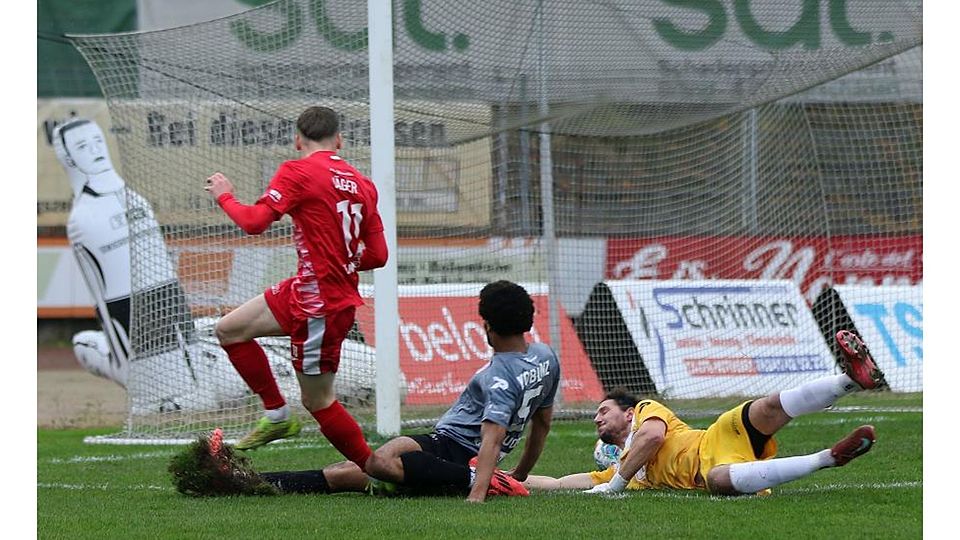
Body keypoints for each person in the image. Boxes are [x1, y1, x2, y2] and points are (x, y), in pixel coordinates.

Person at [170, 280, 558, 503]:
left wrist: (476, 491)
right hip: (448, 446)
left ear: (487, 325)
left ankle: (242, 481)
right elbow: (541, 423)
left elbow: (492, 438)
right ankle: (244, 481)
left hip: (456, 454)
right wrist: (521, 472)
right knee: (352, 470)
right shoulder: (544, 357)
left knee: (371, 465)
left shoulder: (500, 377)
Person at [204, 106, 388, 470]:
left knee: (319, 401)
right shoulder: (363, 185)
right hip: (307, 289)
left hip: (320, 304)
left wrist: (225, 196)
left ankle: (377, 470)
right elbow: (378, 255)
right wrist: (344, 260)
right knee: (229, 330)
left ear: (297, 140)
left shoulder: (298, 171)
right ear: (339, 140)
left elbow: (255, 223)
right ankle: (276, 415)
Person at [522, 330, 882, 496]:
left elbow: (653, 437)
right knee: (718, 480)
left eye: (603, 410)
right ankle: (830, 457)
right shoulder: (621, 469)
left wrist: (616, 484)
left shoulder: (647, 412)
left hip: (718, 436)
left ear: (628, 413)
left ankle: (850, 379)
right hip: (715, 469)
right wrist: (505, 479)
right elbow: (558, 483)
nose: (596, 418)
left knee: (769, 407)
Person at [52, 118, 244, 413]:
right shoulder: (84, 217)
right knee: (86, 344)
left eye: (97, 141)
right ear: (68, 157)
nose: (94, 150)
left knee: (216, 358)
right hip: (130, 320)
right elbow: (103, 297)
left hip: (169, 309)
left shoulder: (132, 199)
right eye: (81, 146)